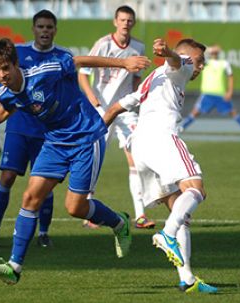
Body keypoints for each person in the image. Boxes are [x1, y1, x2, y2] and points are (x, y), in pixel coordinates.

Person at [0, 37, 150, 285]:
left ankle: (118, 222)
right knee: (29, 198)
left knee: (75, 208)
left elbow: (78, 61)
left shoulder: (44, 71)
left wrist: (123, 63)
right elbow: (6, 109)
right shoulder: (5, 91)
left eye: (6, 68)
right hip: (55, 143)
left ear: (16, 65)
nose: (2, 74)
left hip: (86, 136)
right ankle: (14, 266)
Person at [103, 38, 218, 294]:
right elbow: (178, 60)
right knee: (196, 189)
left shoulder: (153, 79)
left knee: (180, 212)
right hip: (161, 138)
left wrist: (96, 132)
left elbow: (116, 107)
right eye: (201, 61)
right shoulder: (182, 66)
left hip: (141, 145)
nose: (201, 66)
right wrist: (167, 52)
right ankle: (166, 235)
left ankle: (187, 279)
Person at [0, 10, 67, 248]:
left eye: (49, 27)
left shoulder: (62, 57)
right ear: (33, 29)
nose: (45, 31)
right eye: (40, 26)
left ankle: (43, 233)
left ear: (55, 30)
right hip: (19, 127)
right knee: (7, 176)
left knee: (44, 183)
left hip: (47, 132)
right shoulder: (19, 52)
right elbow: (4, 79)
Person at [78, 5, 155, 229]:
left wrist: (137, 102)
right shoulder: (103, 44)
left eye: (129, 20)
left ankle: (140, 215)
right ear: (115, 21)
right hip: (101, 110)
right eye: (122, 20)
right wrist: (94, 100)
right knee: (95, 158)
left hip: (125, 110)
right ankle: (88, 209)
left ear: (133, 23)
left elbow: (135, 81)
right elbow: (83, 74)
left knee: (136, 159)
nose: (125, 23)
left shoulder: (138, 46)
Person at [180, 44, 240, 134]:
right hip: (207, 93)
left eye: (215, 50)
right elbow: (199, 54)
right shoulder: (206, 62)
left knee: (232, 111)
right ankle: (182, 127)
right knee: (195, 112)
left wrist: (230, 91)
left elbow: (230, 77)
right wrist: (208, 50)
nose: (214, 52)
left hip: (220, 94)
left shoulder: (224, 63)